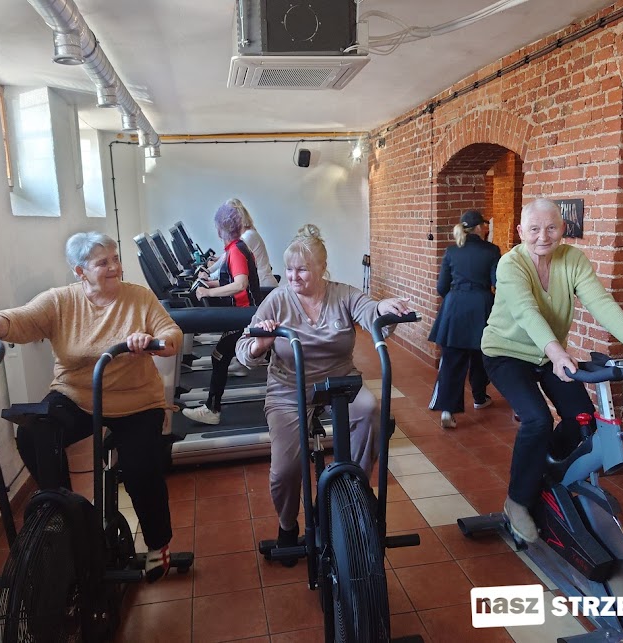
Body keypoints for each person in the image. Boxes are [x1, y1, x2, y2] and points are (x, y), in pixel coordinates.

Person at [0, 232, 183, 582]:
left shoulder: (139, 297)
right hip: (77, 396)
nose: (114, 267)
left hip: (136, 400)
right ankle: (67, 514)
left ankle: (157, 543)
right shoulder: (60, 301)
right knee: (33, 435)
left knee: (141, 469)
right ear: (80, 271)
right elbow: (20, 319)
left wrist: (154, 341)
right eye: (103, 262)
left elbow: (171, 333)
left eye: (115, 259)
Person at [481, 198, 623, 543]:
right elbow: (526, 312)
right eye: (534, 229)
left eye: (551, 228)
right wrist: (557, 352)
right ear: (521, 231)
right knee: (537, 419)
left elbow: (601, 304)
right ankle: (517, 501)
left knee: (581, 416)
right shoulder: (510, 264)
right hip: (506, 353)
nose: (543, 236)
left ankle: (542, 470)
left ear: (563, 229)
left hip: (548, 355)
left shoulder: (573, 259)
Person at [235, 224, 411, 565]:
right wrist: (260, 344)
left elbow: (370, 311)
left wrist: (385, 308)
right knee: (285, 469)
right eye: (289, 269)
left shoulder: (342, 294)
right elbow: (244, 348)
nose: (293, 276)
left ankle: (352, 493)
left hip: (340, 381)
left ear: (321, 268)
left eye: (302, 269)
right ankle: (288, 525)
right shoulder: (277, 300)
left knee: (370, 411)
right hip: (289, 387)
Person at [182, 201, 262, 425]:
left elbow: (240, 284)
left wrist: (209, 292)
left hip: (245, 316)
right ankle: (212, 407)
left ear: (219, 230)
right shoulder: (238, 247)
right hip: (244, 313)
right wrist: (210, 284)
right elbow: (233, 279)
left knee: (219, 355)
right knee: (221, 355)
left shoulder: (236, 251)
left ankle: (212, 409)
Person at [428, 210, 500, 428]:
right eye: (484, 225)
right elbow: (497, 282)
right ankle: (479, 397)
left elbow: (442, 287)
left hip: (455, 307)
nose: (485, 228)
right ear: (478, 228)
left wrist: (457, 298)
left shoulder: (451, 251)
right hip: (482, 306)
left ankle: (448, 410)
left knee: (452, 360)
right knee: (482, 355)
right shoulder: (491, 250)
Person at [205, 198, 278, 288]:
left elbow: (229, 260)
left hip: (262, 286)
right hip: (259, 284)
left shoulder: (247, 236)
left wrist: (209, 274)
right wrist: (213, 266)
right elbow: (228, 255)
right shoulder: (248, 234)